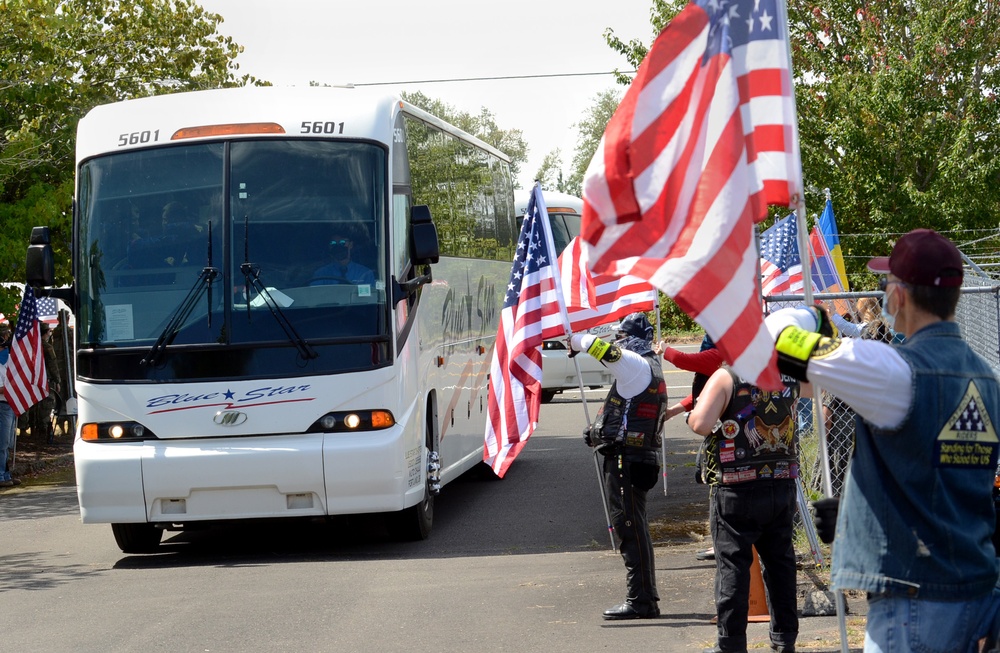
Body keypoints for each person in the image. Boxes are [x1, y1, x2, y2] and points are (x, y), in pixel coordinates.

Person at [770, 228, 1000, 652]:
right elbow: (944, 477)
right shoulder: (985, 377)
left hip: (913, 598)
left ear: (898, 295)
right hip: (973, 586)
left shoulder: (893, 368)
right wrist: (863, 509)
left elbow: (779, 341)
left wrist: (809, 318)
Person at [686, 319, 817, 653]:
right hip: (781, 482)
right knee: (781, 564)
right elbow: (815, 388)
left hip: (737, 487)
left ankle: (731, 644)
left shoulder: (727, 376)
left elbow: (700, 424)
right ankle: (784, 639)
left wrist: (702, 415)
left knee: (733, 566)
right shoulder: (788, 376)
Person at [569, 312, 667, 620]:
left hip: (628, 460)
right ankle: (644, 597)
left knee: (629, 529)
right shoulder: (647, 367)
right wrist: (599, 431)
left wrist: (573, 340)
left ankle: (640, 601)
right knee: (635, 527)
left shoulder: (636, 364)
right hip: (634, 457)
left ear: (632, 340)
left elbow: (602, 349)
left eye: (622, 337)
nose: (618, 343)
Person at [660, 334, 724, 561]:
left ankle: (722, 543)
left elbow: (684, 359)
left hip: (722, 435)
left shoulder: (719, 356)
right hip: (720, 434)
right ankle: (721, 542)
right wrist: (673, 411)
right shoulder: (721, 364)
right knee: (711, 482)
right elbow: (699, 395)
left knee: (717, 485)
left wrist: (664, 349)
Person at [128, 201, 205, 268]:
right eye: (164, 220)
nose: (164, 223)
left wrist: (136, 243)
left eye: (166, 220)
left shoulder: (181, 238)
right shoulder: (167, 238)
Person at [27, 322, 61, 442]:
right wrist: (57, 381)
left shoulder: (30, 347)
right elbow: (53, 366)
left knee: (33, 406)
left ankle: (33, 432)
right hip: (46, 382)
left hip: (32, 382)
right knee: (46, 408)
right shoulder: (47, 347)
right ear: (46, 333)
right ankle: (44, 434)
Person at [309, 233, 375, 286]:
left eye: (342, 242)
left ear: (351, 244)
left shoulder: (365, 274)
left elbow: (370, 298)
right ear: (329, 247)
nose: (338, 247)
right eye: (333, 243)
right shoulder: (320, 274)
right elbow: (315, 298)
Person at [0, 323, 20, 488]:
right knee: (2, 442)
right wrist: (11, 388)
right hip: (2, 405)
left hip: (9, 404)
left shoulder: (6, 363)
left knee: (8, 443)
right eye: (2, 346)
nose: (4, 349)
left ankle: (6, 474)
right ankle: (1, 476)